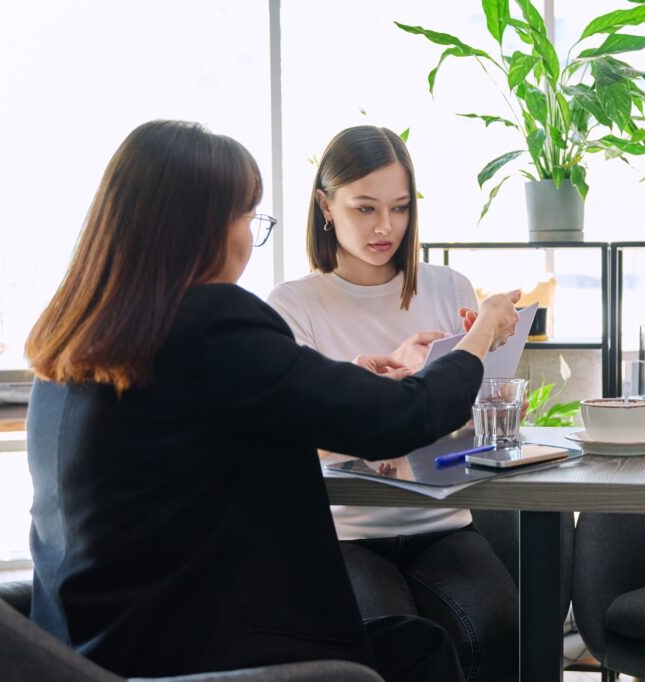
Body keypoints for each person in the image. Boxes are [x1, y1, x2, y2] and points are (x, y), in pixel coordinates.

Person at [23, 120, 520, 682]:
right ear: (196, 225)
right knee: (415, 652)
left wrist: (342, 385)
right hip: (198, 650)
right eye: (245, 217)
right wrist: (482, 337)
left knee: (419, 642)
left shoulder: (75, 337)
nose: (248, 238)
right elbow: (402, 420)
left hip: (87, 653)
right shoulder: (212, 319)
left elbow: (208, 432)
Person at [267, 125, 519, 682]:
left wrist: (491, 378)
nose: (385, 227)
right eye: (364, 208)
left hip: (441, 520)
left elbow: (475, 418)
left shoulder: (448, 286)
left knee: (497, 624)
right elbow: (290, 438)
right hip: (345, 531)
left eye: (400, 208)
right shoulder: (292, 306)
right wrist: (389, 395)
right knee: (394, 643)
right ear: (324, 207)